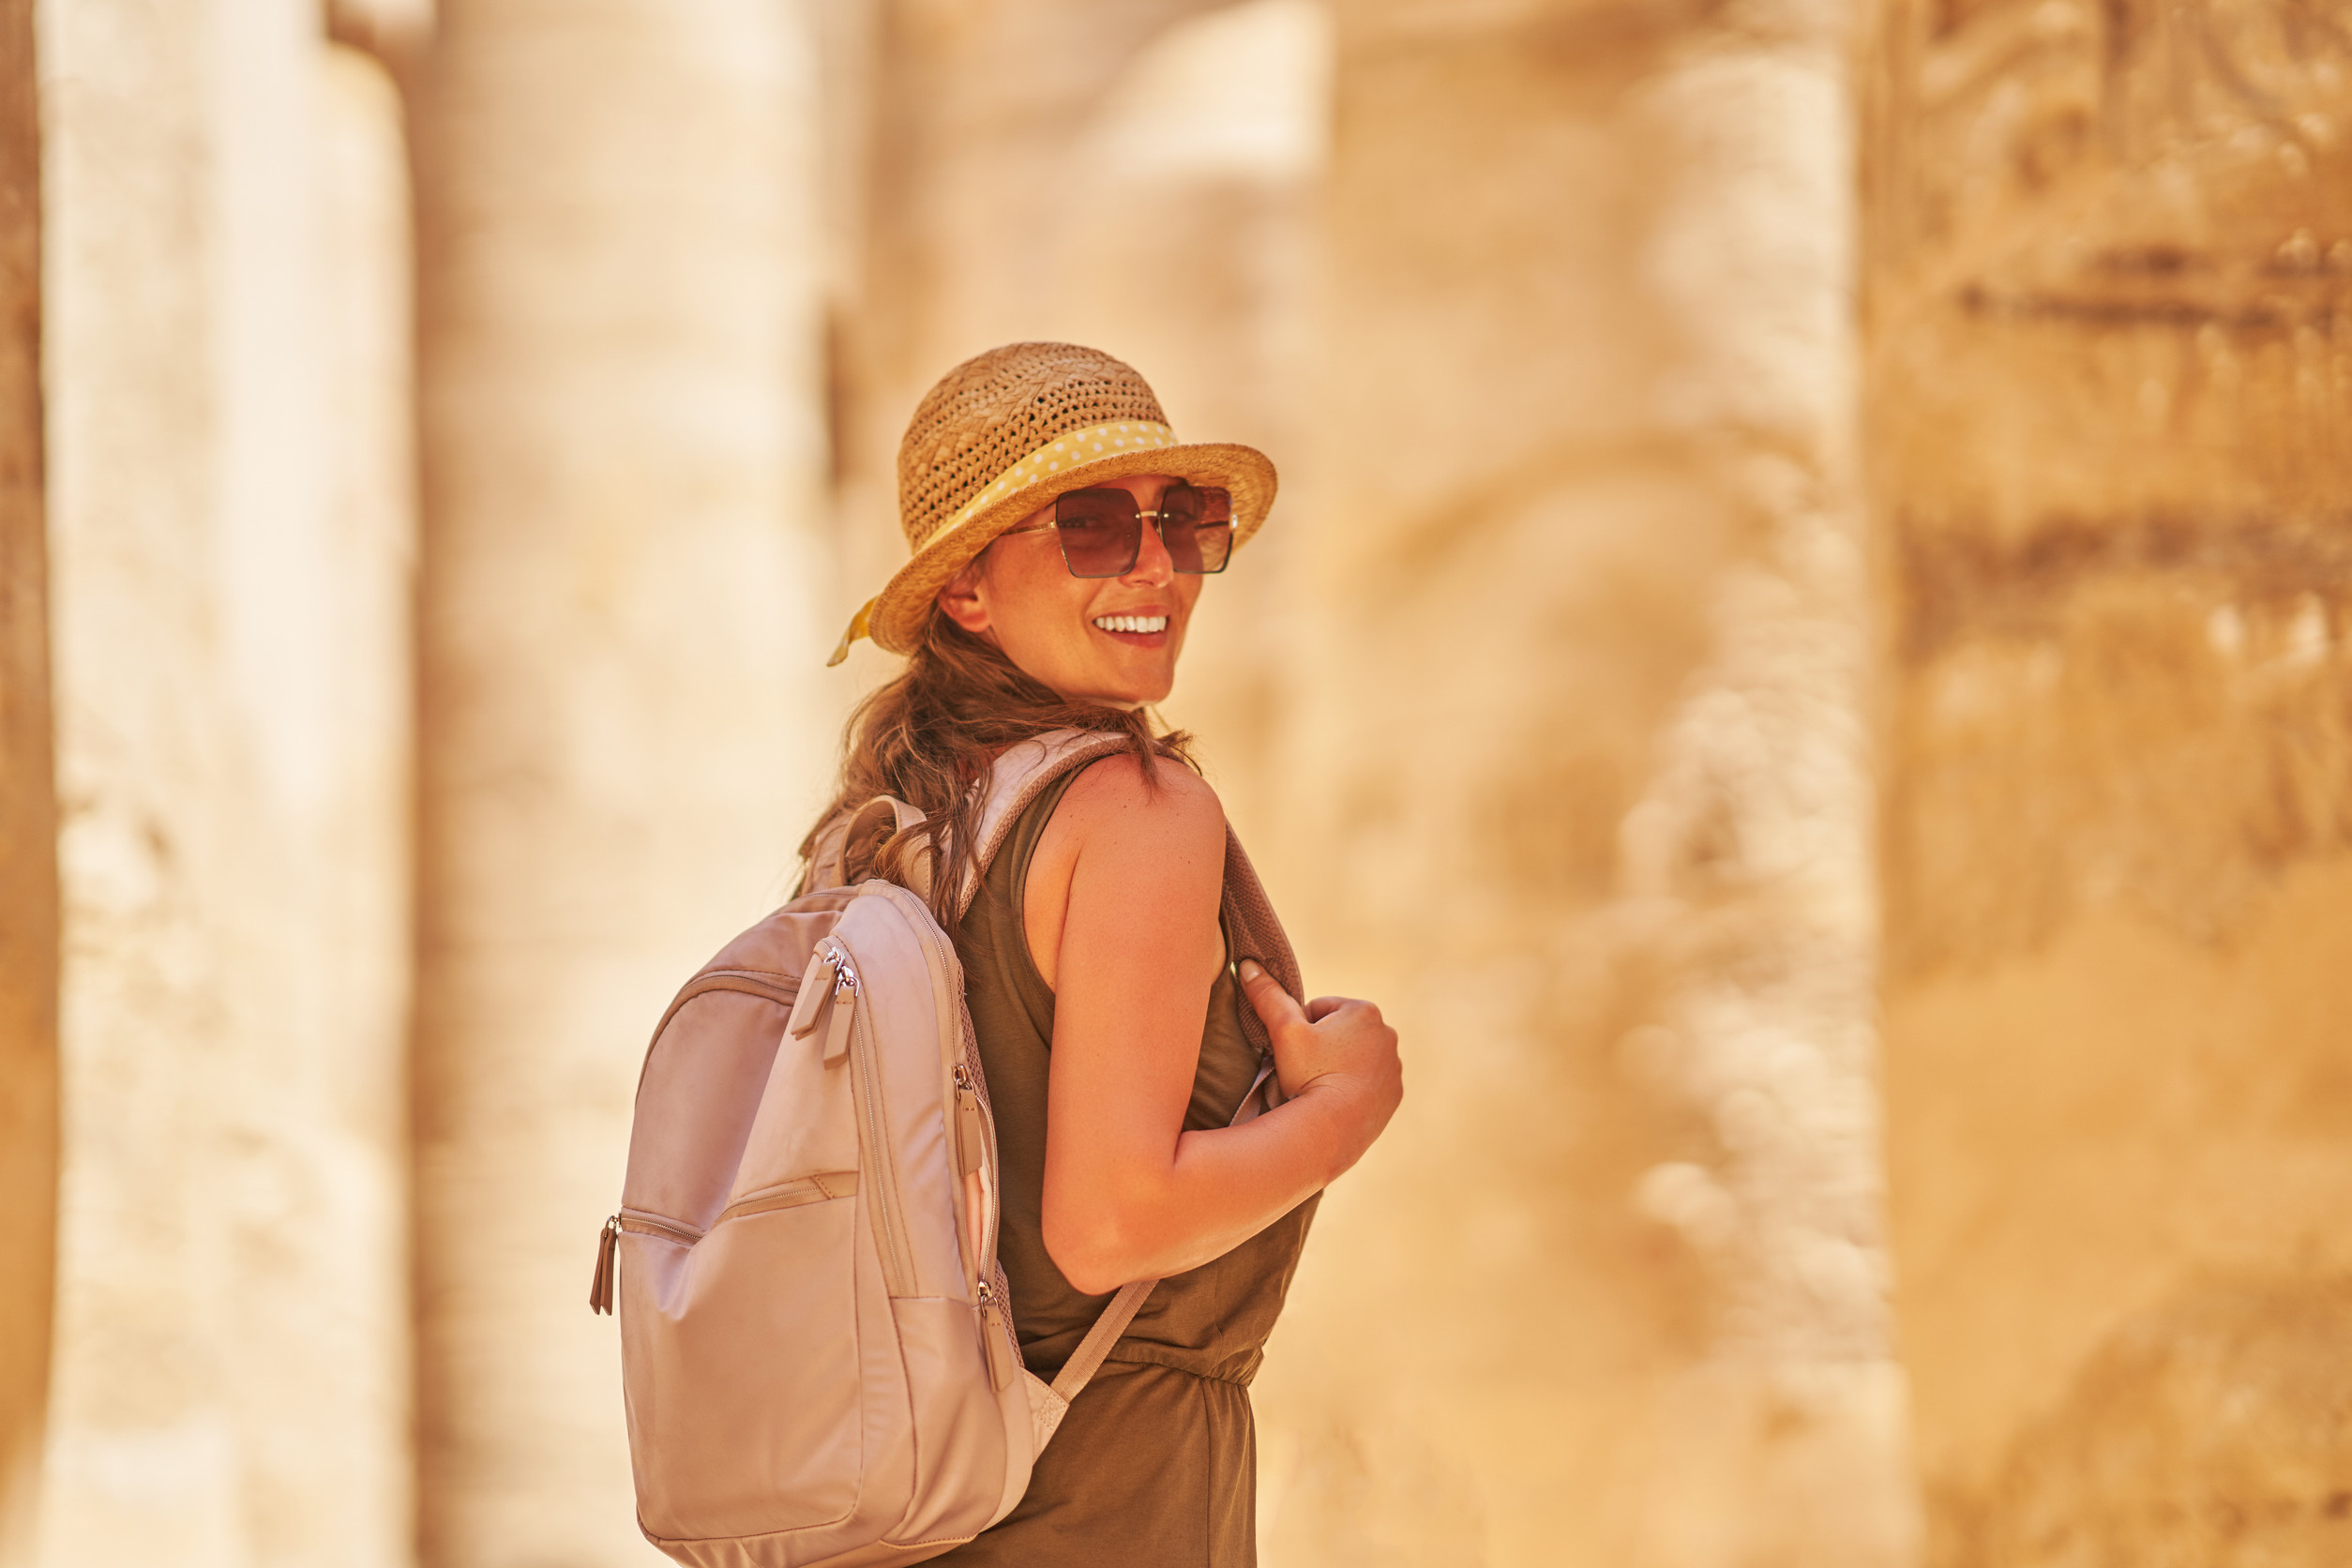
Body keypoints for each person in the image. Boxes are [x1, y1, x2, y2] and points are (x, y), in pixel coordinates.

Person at [809, 341, 1403, 1565]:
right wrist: (1347, 1109)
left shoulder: (892, 834)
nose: (1156, 567)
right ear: (967, 591)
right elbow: (1112, 1225)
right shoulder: (1134, 810)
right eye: (1090, 528)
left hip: (912, 1500)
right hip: (1106, 1495)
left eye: (1181, 522)